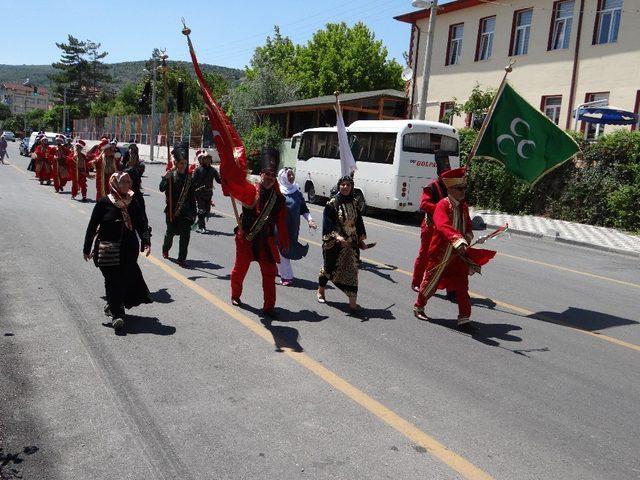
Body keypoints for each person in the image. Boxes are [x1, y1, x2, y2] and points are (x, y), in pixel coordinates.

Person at [83, 172, 152, 330]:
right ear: (115, 183)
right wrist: (87, 249)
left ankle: (114, 305)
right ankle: (117, 315)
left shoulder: (133, 201)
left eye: (128, 182)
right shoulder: (104, 203)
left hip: (128, 250)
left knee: (123, 279)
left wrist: (146, 241)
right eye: (123, 182)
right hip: (108, 250)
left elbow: (142, 223)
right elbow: (92, 227)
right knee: (112, 280)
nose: (126, 185)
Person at [413, 167, 475, 329]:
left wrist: (467, 236)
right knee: (430, 282)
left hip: (459, 254)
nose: (462, 192)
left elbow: (468, 226)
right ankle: (419, 306)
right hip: (441, 253)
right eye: (459, 189)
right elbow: (442, 225)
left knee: (462, 286)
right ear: (450, 189)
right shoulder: (442, 205)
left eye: (464, 188)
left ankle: (464, 318)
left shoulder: (464, 206)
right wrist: (457, 239)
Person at [230, 148, 289, 317]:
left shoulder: (279, 199)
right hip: (246, 238)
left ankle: (269, 307)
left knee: (270, 274)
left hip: (266, 241)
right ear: (261, 174)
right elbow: (237, 186)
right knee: (239, 270)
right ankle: (235, 295)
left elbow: (281, 222)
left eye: (272, 175)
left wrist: (284, 243)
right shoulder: (250, 190)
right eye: (266, 174)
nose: (269, 178)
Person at [316, 175, 367, 312]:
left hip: (351, 243)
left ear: (352, 187)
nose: (345, 187)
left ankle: (352, 303)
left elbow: (359, 222)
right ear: (339, 186)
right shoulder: (332, 204)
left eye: (348, 185)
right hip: (335, 243)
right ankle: (321, 290)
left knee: (352, 271)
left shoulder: (355, 203)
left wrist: (360, 240)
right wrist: (337, 237)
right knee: (329, 269)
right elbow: (327, 224)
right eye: (342, 184)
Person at [276, 167, 317, 286]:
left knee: (282, 249)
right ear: (283, 177)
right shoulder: (277, 191)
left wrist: (310, 220)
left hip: (293, 227)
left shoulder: (296, 190)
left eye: (292, 174)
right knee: (283, 250)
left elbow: (303, 208)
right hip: (279, 227)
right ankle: (287, 277)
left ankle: (277, 269)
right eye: (289, 175)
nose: (292, 177)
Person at [160, 142, 196, 267]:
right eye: (182, 163)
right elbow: (161, 188)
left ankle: (182, 258)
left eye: (185, 163)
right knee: (170, 233)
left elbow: (192, 198)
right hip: (171, 210)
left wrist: (194, 213)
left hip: (185, 213)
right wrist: (165, 178)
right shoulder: (171, 175)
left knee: (185, 236)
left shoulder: (189, 179)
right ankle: (165, 248)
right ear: (176, 163)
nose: (184, 165)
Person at [192, 149, 221, 233]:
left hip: (209, 193)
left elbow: (218, 180)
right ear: (202, 160)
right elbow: (193, 181)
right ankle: (202, 227)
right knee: (201, 209)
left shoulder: (213, 170)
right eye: (205, 158)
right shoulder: (198, 170)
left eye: (209, 158)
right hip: (199, 193)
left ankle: (199, 222)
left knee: (207, 210)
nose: (207, 160)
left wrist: (226, 180)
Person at [123, 142, 149, 228]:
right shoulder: (127, 153)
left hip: (135, 193)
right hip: (127, 194)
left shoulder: (137, 197)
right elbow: (123, 163)